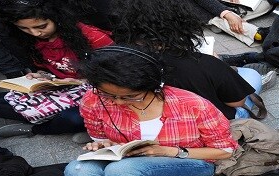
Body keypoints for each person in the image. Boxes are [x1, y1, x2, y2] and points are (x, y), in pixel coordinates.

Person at [64, 46, 237, 176]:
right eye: (109, 95)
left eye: (130, 96)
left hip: (191, 163)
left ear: (155, 86)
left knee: (122, 171)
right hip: (127, 161)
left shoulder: (192, 104)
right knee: (78, 169)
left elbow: (225, 150)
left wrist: (167, 151)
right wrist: (103, 145)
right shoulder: (94, 100)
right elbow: (99, 135)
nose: (118, 103)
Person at [0, 0, 113, 140]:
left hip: (98, 92)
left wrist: (84, 80)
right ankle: (64, 123)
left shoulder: (92, 36)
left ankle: (36, 128)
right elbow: (44, 68)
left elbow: (120, 74)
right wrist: (41, 76)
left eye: (42, 26)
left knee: (73, 118)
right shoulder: (29, 40)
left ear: (57, 17)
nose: (35, 33)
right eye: (24, 28)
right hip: (60, 90)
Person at [111, 0, 267, 121]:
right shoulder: (202, 62)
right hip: (207, 125)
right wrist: (218, 67)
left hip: (150, 121)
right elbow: (236, 102)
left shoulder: (117, 60)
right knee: (251, 74)